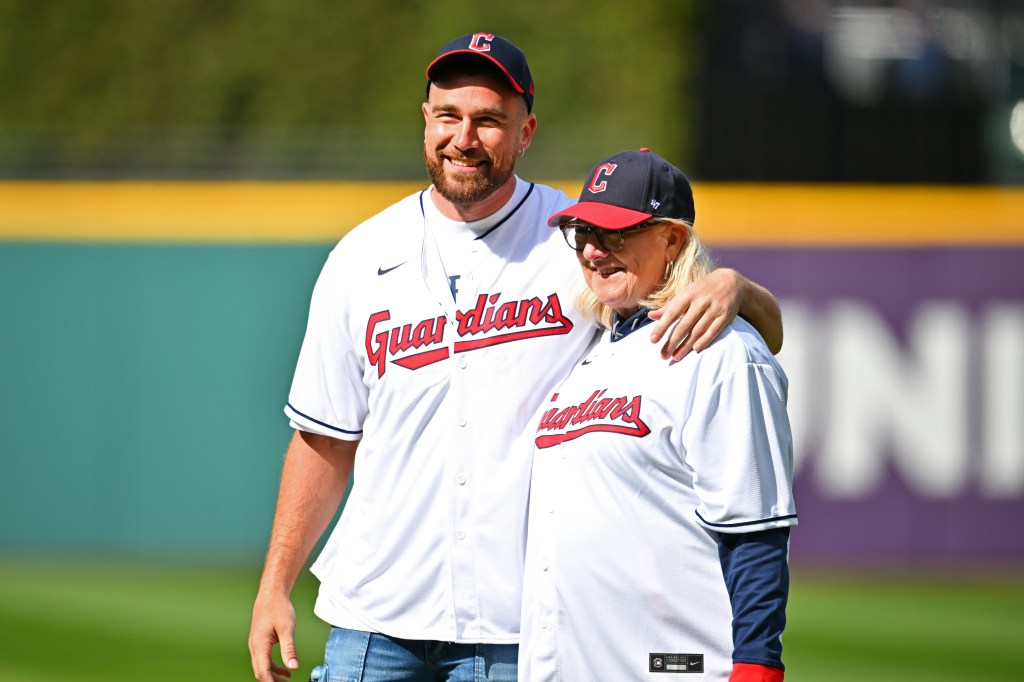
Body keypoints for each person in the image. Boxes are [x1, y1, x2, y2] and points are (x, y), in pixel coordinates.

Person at [248, 33, 785, 682]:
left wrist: (736, 286)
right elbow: (324, 439)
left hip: (514, 630)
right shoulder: (360, 258)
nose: (464, 138)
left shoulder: (576, 241)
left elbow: (716, 311)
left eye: (488, 120)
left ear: (525, 131)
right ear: (425, 121)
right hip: (374, 614)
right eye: (448, 116)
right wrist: (275, 583)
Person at [518, 148, 797, 682]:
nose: (595, 251)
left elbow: (755, 527)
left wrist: (757, 669)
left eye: (616, 234)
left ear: (672, 239)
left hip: (674, 668)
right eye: (583, 233)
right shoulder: (592, 349)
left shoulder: (723, 353)